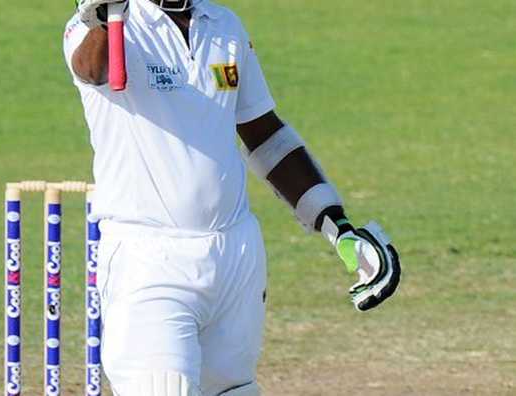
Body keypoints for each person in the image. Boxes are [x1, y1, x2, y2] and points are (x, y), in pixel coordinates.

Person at [63, 0, 401, 394]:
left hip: (236, 256)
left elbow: (265, 135)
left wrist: (337, 225)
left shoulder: (224, 25)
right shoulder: (97, 24)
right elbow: (91, 69)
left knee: (234, 389)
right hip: (150, 260)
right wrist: (104, 19)